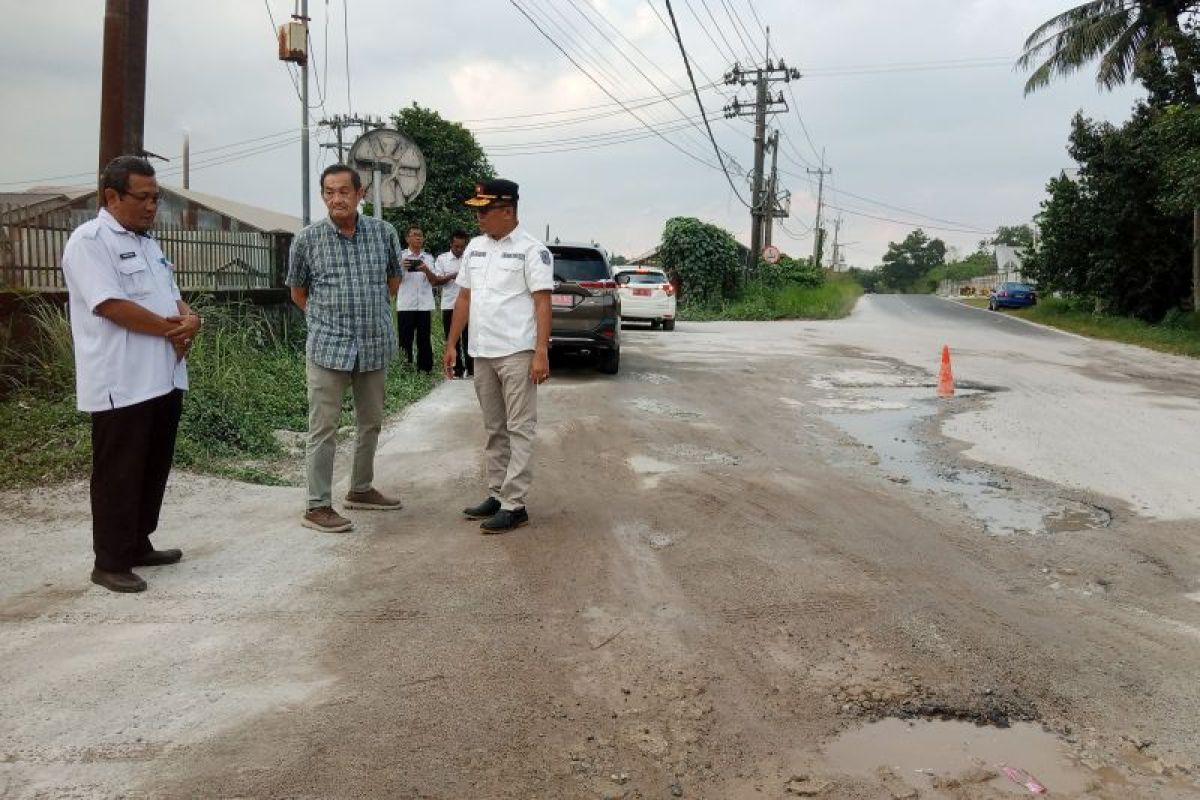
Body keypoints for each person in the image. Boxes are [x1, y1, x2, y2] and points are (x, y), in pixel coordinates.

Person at [61, 155, 202, 593]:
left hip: (162, 376)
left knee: (152, 466)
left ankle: (139, 542)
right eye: (142, 197)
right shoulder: (90, 241)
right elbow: (109, 304)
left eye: (155, 198)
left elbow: (173, 299)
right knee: (118, 471)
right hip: (120, 381)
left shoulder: (148, 243)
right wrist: (170, 330)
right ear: (112, 196)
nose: (150, 206)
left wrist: (189, 320)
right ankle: (110, 561)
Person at [286, 164, 405, 533]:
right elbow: (297, 291)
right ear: (323, 195)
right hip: (328, 346)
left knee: (370, 422)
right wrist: (329, 320)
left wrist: (367, 315)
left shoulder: (384, 233)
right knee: (324, 427)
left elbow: (393, 279)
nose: (336, 198)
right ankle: (318, 505)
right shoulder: (307, 239)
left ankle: (361, 488)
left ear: (360, 194)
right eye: (328, 192)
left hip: (373, 344)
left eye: (343, 191)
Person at [443, 179, 553, 533]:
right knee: (494, 428)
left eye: (484, 210)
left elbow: (542, 302)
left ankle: (515, 503)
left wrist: (541, 352)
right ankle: (496, 492)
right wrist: (450, 344)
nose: (479, 218)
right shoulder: (475, 247)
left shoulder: (531, 250)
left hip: (517, 352)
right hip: (482, 352)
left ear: (507, 211)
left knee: (520, 428)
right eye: (476, 210)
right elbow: (463, 298)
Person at [430, 230, 473, 378]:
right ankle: (457, 370)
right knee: (452, 339)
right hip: (449, 305)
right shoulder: (442, 259)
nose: (459, 250)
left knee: (469, 338)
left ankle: (472, 369)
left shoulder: (470, 258)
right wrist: (454, 275)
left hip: (469, 306)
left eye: (462, 247)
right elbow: (436, 281)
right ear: (451, 244)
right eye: (456, 246)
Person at [395, 226, 435, 373]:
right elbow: (392, 281)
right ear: (407, 238)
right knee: (405, 339)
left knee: (424, 338)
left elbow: (434, 280)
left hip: (424, 304)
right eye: (415, 235)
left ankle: (425, 369)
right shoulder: (400, 257)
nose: (418, 238)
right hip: (406, 304)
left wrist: (426, 270)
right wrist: (401, 268)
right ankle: (405, 368)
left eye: (420, 235)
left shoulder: (428, 258)